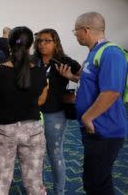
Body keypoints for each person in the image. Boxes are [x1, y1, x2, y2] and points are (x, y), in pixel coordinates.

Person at [59, 12, 126, 195]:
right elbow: (91, 82)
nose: (75, 34)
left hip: (105, 129)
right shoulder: (93, 53)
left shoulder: (111, 53)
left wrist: (88, 117)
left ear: (86, 30)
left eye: (76, 31)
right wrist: (71, 77)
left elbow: (111, 92)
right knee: (96, 179)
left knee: (96, 183)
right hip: (94, 129)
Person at [0, 26, 49, 195]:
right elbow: (40, 101)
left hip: (5, 130)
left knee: (1, 181)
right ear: (31, 45)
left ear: (9, 44)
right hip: (33, 130)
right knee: (34, 182)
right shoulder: (40, 72)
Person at [32, 28, 80, 195]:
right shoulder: (32, 61)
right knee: (36, 157)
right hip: (32, 115)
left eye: (47, 41)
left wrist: (71, 77)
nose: (42, 44)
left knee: (55, 154)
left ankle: (59, 192)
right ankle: (40, 190)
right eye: (39, 41)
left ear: (56, 43)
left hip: (54, 115)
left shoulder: (65, 62)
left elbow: (85, 79)